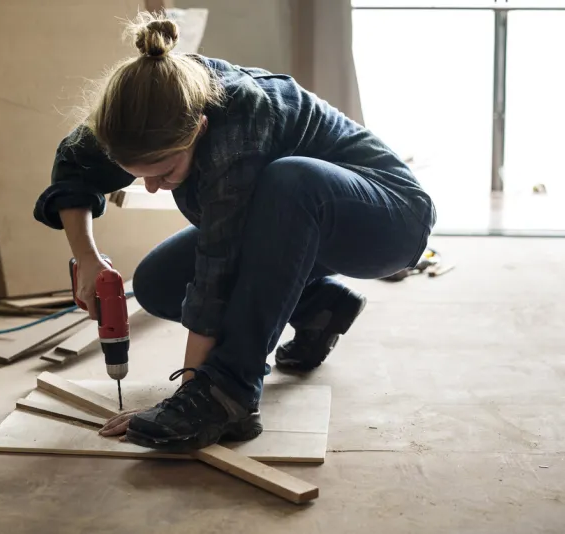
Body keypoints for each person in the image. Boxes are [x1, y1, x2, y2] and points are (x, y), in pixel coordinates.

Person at [33, 13, 436, 452]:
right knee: (159, 283)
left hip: (388, 221)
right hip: (299, 230)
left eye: (164, 173)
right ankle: (320, 308)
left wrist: (192, 395)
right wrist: (87, 259)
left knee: (291, 180)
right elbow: (74, 167)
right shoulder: (138, 109)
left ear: (198, 130)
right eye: (138, 177)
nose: (151, 186)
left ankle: (231, 393)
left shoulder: (237, 127)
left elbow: (217, 271)